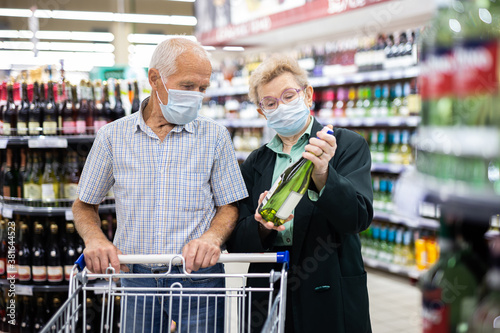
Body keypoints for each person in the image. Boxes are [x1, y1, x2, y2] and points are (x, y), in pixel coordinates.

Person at [73, 37, 248, 332]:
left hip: (198, 277)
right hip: (136, 276)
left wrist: (212, 238)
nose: (196, 96)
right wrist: (96, 240)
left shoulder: (216, 136)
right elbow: (84, 204)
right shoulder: (112, 137)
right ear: (155, 78)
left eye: (202, 89)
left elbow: (229, 206)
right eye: (188, 86)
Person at [227, 54, 373, 333]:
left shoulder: (344, 145)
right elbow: (236, 241)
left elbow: (358, 218)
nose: (280, 106)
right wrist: (261, 226)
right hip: (268, 291)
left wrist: (323, 176)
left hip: (330, 286)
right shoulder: (256, 163)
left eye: (288, 95)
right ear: (262, 111)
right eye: (270, 102)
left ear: (308, 95)